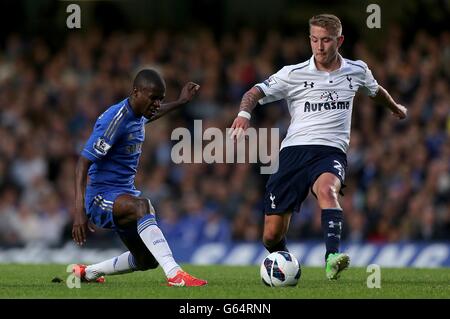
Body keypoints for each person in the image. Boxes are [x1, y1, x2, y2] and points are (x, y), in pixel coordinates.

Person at [230, 14, 407, 280]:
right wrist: (244, 114)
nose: (320, 46)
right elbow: (253, 92)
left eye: (326, 40)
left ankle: (332, 257)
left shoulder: (356, 70)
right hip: (293, 152)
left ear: (340, 40)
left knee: (328, 190)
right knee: (270, 235)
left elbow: (375, 90)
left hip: (330, 151)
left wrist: (396, 108)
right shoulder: (293, 73)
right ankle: (284, 262)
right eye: (314, 40)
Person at [73, 69, 207, 286]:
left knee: (147, 260)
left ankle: (88, 272)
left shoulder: (139, 115)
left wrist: (181, 102)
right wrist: (79, 211)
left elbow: (153, 114)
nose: (156, 104)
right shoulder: (114, 121)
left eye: (160, 99)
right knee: (143, 206)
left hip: (123, 195)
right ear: (136, 93)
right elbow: (82, 163)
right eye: (153, 98)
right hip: (101, 197)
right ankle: (175, 274)